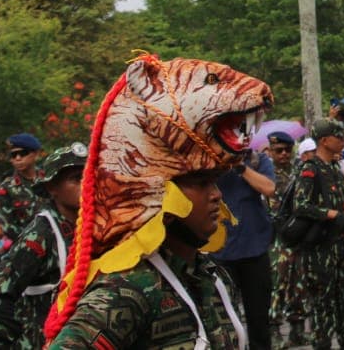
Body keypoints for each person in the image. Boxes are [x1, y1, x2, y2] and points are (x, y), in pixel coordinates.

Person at [45, 53, 270, 349]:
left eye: (215, 182)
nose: (216, 195)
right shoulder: (124, 291)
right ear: (159, 194)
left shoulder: (211, 276)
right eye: (201, 183)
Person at [0, 143, 87, 350]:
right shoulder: (41, 234)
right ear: (52, 188)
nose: (86, 184)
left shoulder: (92, 226)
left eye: (89, 175)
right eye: (76, 178)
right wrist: (24, 345)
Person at [292, 118, 344, 350]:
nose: (342, 141)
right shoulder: (310, 169)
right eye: (338, 137)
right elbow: (300, 205)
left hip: (339, 246)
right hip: (319, 250)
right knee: (323, 309)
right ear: (324, 140)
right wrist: (329, 214)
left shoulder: (333, 168)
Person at [210, 145, 276, 349]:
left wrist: (240, 166)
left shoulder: (257, 159)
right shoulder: (208, 161)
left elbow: (269, 188)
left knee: (259, 319)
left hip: (254, 250)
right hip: (220, 253)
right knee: (225, 321)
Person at [266, 131, 307, 348]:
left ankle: (297, 329)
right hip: (277, 238)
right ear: (270, 151)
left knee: (298, 283)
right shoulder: (267, 173)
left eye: (287, 150)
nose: (283, 154)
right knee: (278, 284)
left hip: (297, 234)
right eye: (278, 150)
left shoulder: (297, 172)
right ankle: (273, 330)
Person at [0, 134, 44, 241]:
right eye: (13, 155)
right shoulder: (6, 188)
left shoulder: (49, 179)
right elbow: (7, 225)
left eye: (23, 153)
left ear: (35, 154)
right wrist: (32, 240)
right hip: (24, 247)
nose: (18, 158)